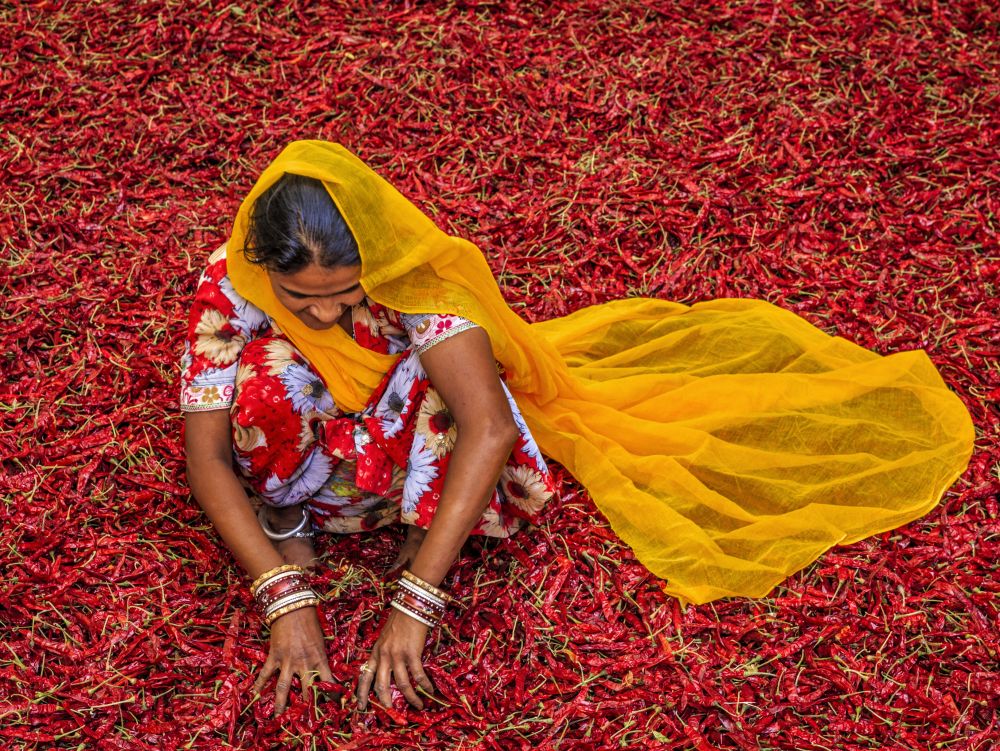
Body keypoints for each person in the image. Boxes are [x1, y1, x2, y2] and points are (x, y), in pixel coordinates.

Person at [181, 140, 974, 717]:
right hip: (316, 461)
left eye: (344, 293)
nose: (323, 311)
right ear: (262, 263)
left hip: (403, 442)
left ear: (375, 262)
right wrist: (282, 594)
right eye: (299, 295)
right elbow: (209, 453)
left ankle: (406, 529)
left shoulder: (409, 271)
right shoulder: (231, 276)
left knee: (444, 389)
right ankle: (294, 526)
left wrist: (415, 598)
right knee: (265, 375)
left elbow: (488, 429)